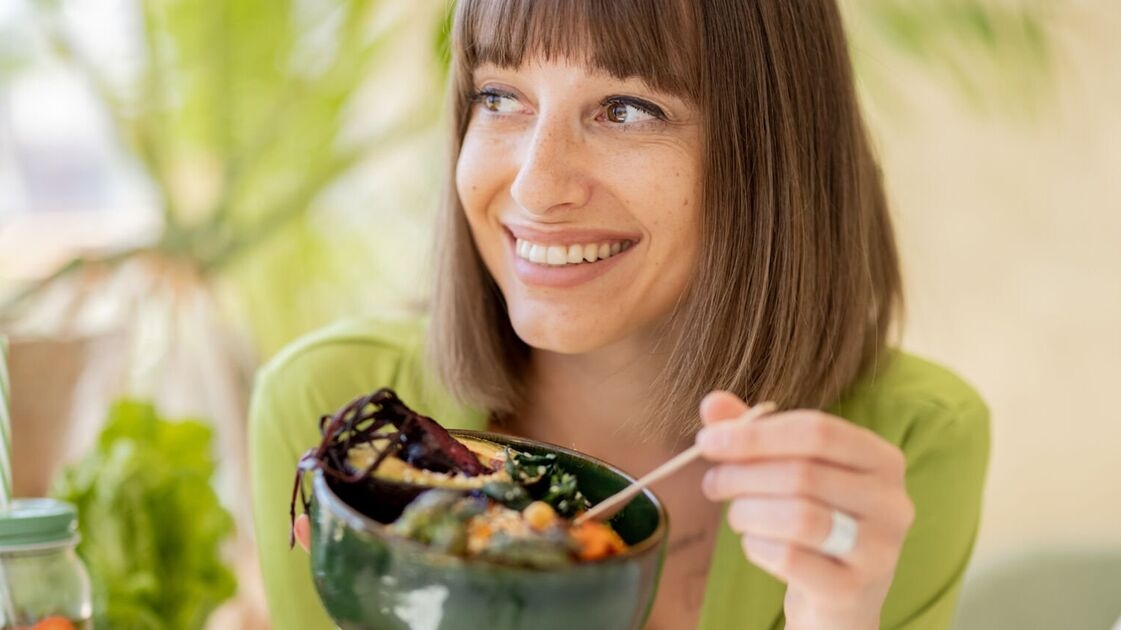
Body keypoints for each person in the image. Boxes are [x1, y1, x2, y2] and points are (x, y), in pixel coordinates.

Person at [249, 1, 990, 628]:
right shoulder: (324, 407)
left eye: (626, 109)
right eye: (500, 97)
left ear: (774, 154)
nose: (537, 188)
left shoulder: (907, 442)